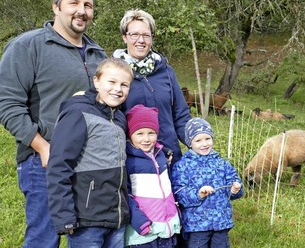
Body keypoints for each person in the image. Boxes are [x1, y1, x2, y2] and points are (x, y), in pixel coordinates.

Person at [0, 0, 105, 248]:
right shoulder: (28, 46)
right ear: (56, 7)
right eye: (74, 3)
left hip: (89, 165)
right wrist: (42, 147)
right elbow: (8, 104)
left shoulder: (98, 54)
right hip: (44, 163)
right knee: (43, 240)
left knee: (86, 239)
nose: (82, 11)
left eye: (88, 5)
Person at [46, 58, 133, 247]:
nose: (118, 89)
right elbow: (59, 164)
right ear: (96, 81)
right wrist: (64, 215)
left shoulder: (118, 118)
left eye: (124, 85)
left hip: (116, 217)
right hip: (86, 219)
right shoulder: (78, 113)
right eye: (111, 82)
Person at [113, 9, 191, 164]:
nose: (140, 40)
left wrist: (197, 142)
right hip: (132, 161)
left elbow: (181, 114)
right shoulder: (114, 72)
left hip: (169, 157)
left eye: (146, 35)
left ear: (152, 38)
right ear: (124, 37)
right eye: (134, 35)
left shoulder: (166, 72)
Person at [171, 118, 243, 248]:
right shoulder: (182, 166)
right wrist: (198, 194)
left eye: (207, 139)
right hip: (197, 224)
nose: (204, 144)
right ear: (189, 143)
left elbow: (234, 184)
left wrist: (234, 190)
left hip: (221, 222)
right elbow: (179, 193)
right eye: (198, 140)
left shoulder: (222, 163)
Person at [124, 104, 181, 247]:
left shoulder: (161, 156)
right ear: (130, 135)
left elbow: (167, 189)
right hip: (144, 231)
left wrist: (176, 215)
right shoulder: (129, 161)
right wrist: (139, 220)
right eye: (139, 133)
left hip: (167, 227)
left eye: (151, 133)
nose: (146, 139)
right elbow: (125, 194)